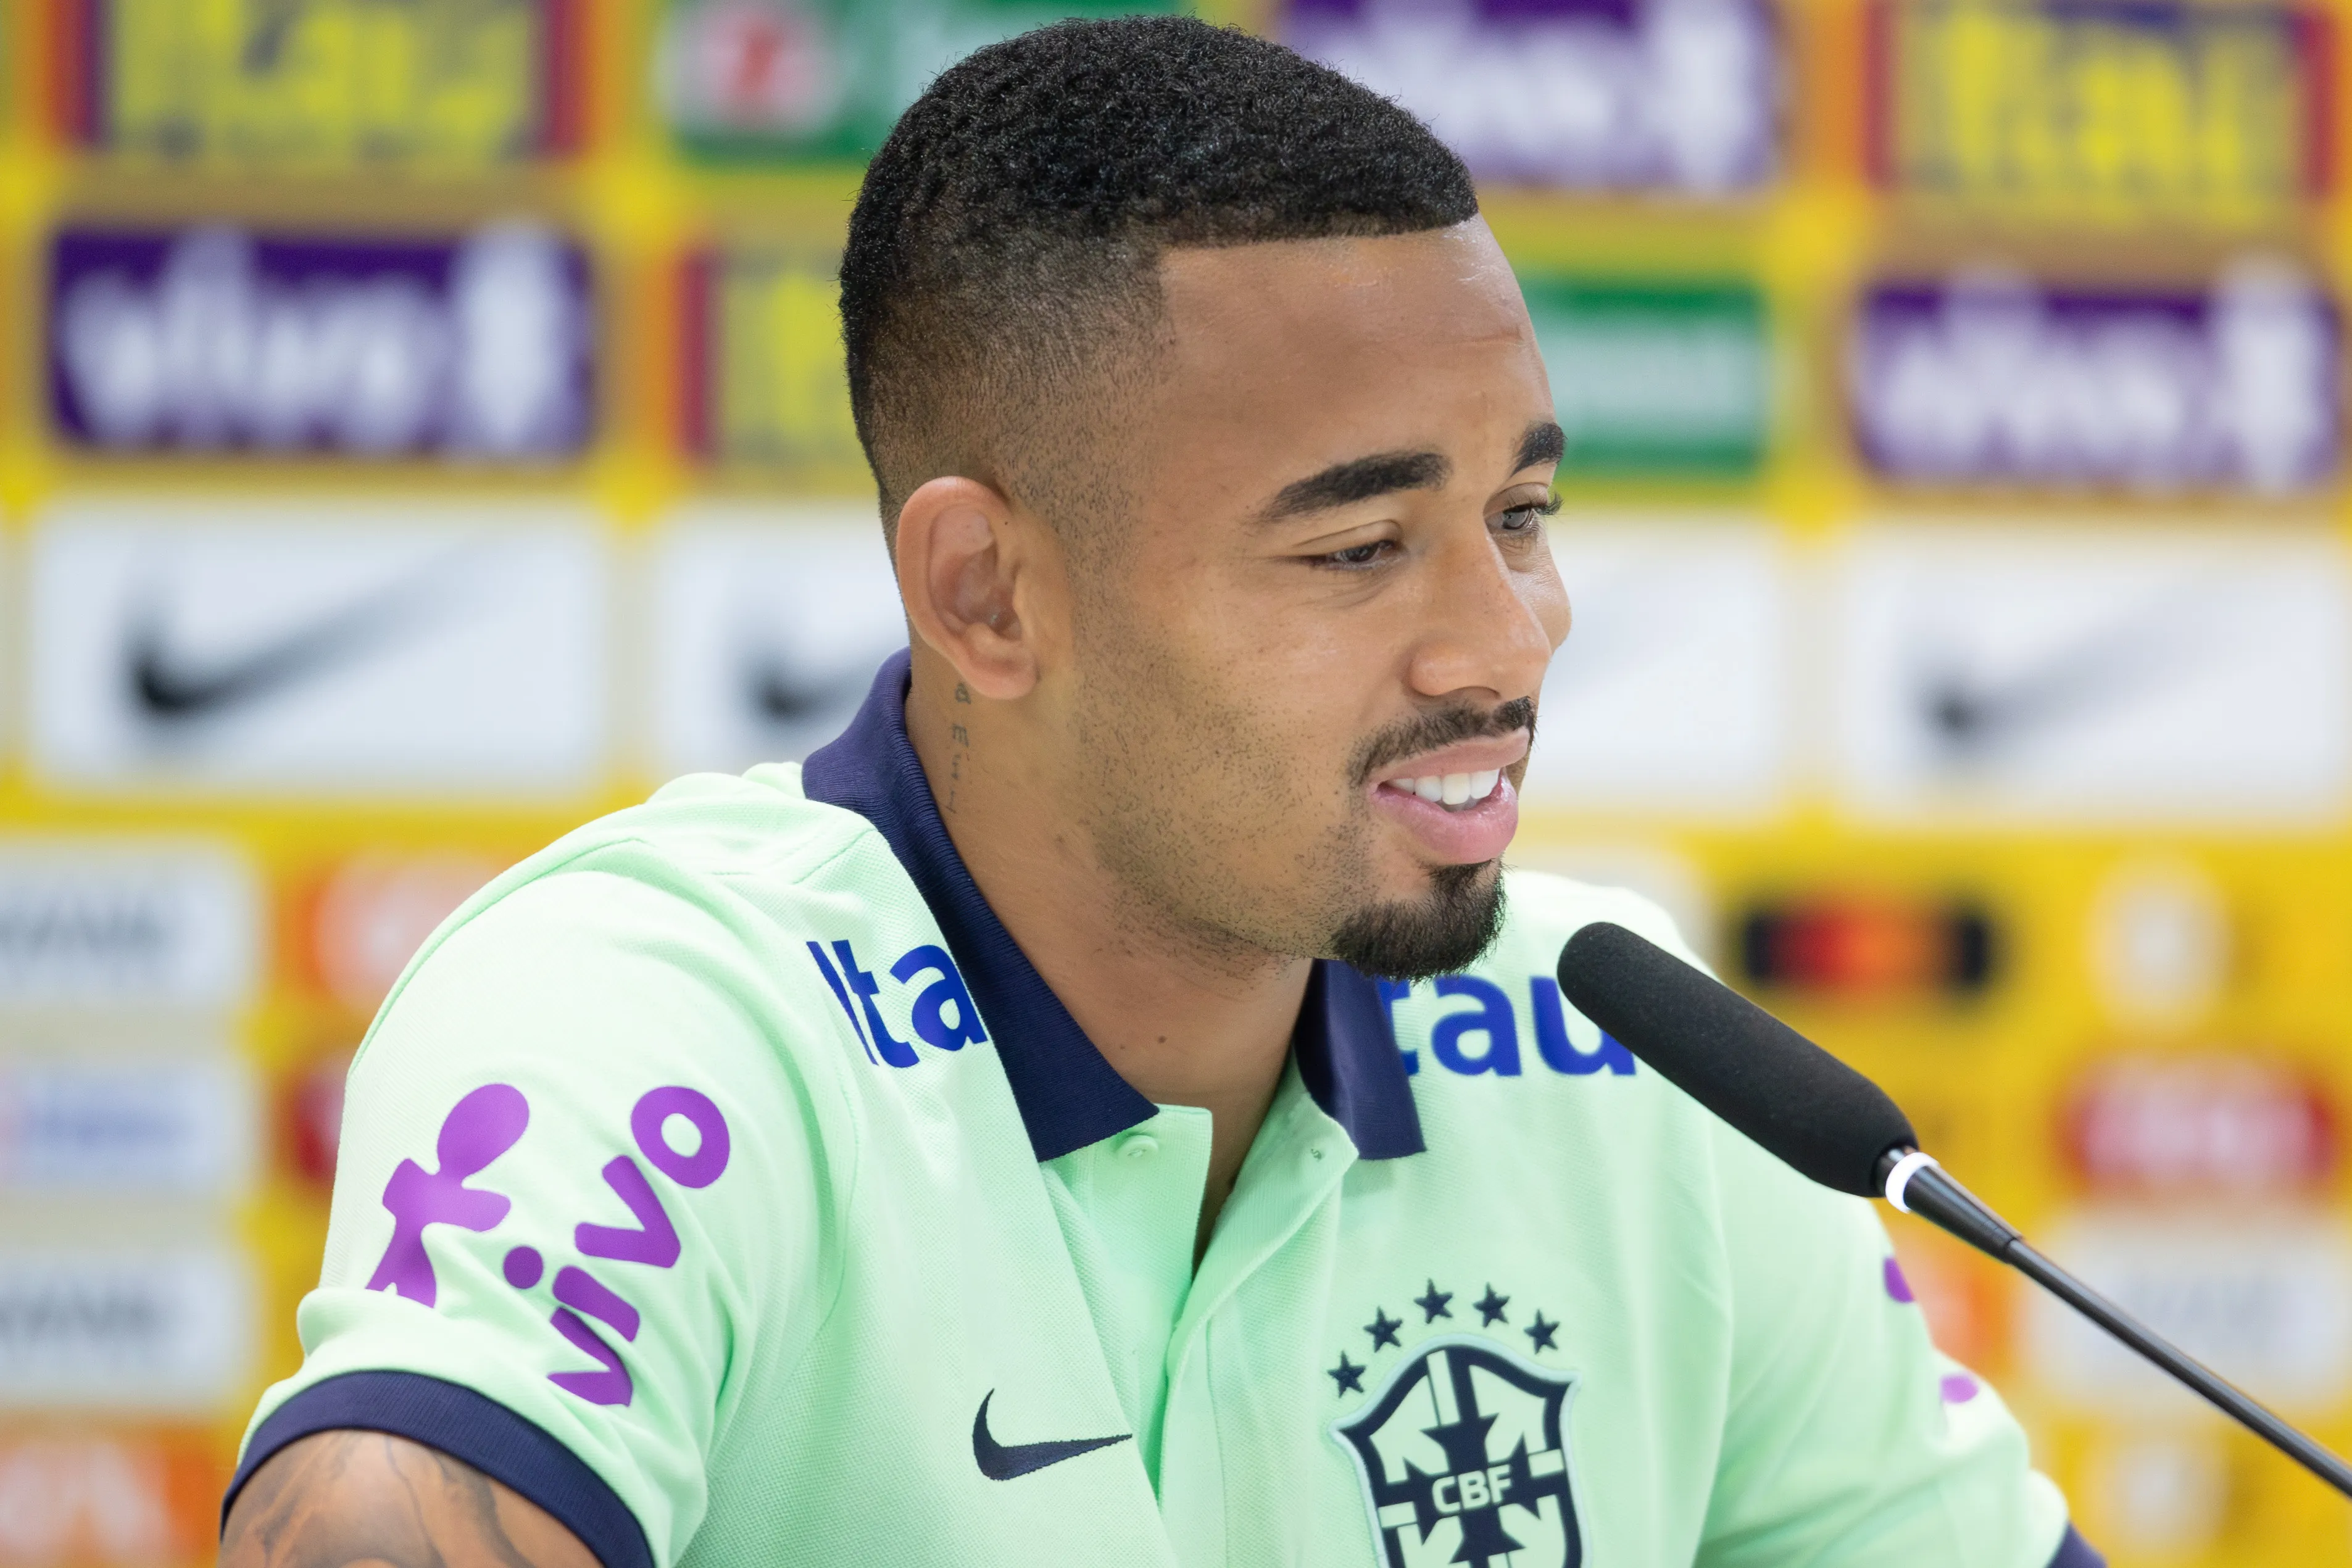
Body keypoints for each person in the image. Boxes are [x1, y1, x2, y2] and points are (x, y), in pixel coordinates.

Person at [220, 18, 2101, 1567]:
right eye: (1360, 546)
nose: (1506, 640)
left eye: (1520, 514)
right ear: (988, 595)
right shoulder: (659, 1018)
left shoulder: (1633, 1061)